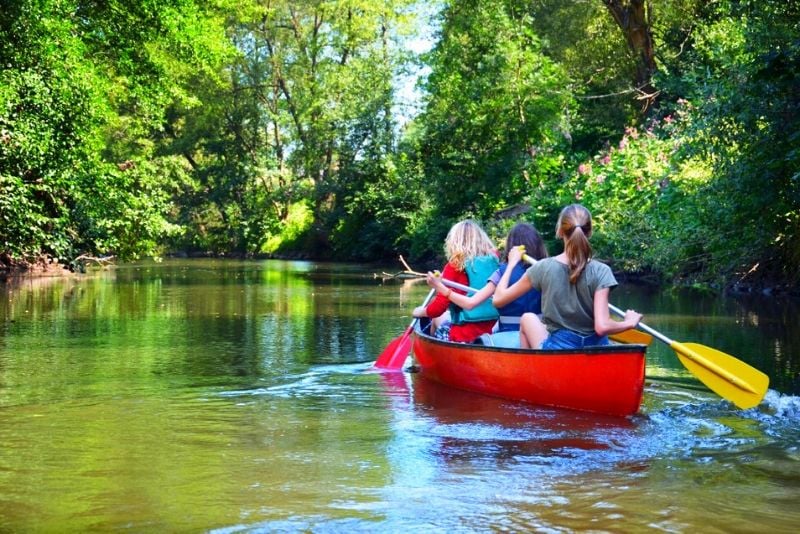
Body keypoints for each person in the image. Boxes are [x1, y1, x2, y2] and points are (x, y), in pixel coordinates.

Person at [493, 204, 642, 349]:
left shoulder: (542, 267)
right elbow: (602, 327)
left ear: (559, 231)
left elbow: (498, 300)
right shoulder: (602, 271)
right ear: (589, 232)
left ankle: (530, 370)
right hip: (595, 348)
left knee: (527, 318)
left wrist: (511, 264)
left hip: (559, 348)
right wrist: (628, 322)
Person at [425, 222, 548, 347]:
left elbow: (470, 303)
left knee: (440, 323)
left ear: (511, 247)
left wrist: (440, 287)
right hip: (539, 333)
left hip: (507, 336)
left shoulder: (501, 272)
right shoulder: (548, 271)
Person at [412, 220, 499, 343]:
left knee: (435, 318)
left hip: (464, 336)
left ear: (454, 242)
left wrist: (421, 311)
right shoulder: (494, 262)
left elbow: (438, 308)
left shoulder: (455, 266)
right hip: (492, 335)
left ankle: (430, 352)